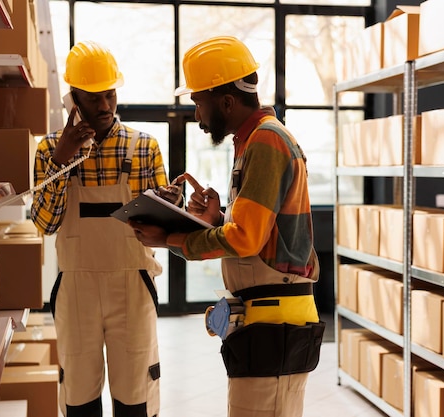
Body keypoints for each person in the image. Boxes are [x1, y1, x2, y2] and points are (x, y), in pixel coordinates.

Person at [129, 35, 325, 417]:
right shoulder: (252, 141)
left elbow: (247, 239)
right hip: (265, 319)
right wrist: (219, 218)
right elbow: (262, 233)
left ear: (227, 101)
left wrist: (171, 237)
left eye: (199, 104)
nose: (198, 118)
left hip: (275, 320)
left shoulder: (267, 141)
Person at [31, 40, 180, 417]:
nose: (104, 106)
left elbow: (162, 231)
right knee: (79, 396)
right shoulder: (50, 150)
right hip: (76, 288)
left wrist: (170, 207)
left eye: (110, 95)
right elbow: (46, 224)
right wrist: (62, 161)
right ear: (73, 99)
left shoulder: (144, 146)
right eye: (93, 98)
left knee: (135, 396)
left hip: (131, 284)